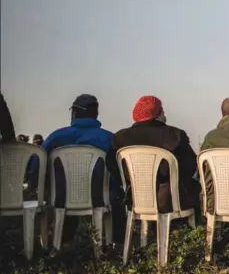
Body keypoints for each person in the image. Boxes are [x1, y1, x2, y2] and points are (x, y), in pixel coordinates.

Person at [107, 95, 201, 243]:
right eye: (163, 111)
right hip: (168, 201)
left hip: (135, 199)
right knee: (194, 188)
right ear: (157, 114)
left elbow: (112, 167)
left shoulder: (119, 138)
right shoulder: (175, 135)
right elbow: (190, 168)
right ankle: (188, 241)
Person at [38, 94, 115, 245]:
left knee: (64, 186)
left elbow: (36, 166)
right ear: (96, 114)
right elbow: (117, 172)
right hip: (99, 197)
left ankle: (61, 241)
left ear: (74, 113)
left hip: (61, 197)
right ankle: (109, 242)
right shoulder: (109, 138)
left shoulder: (56, 137)